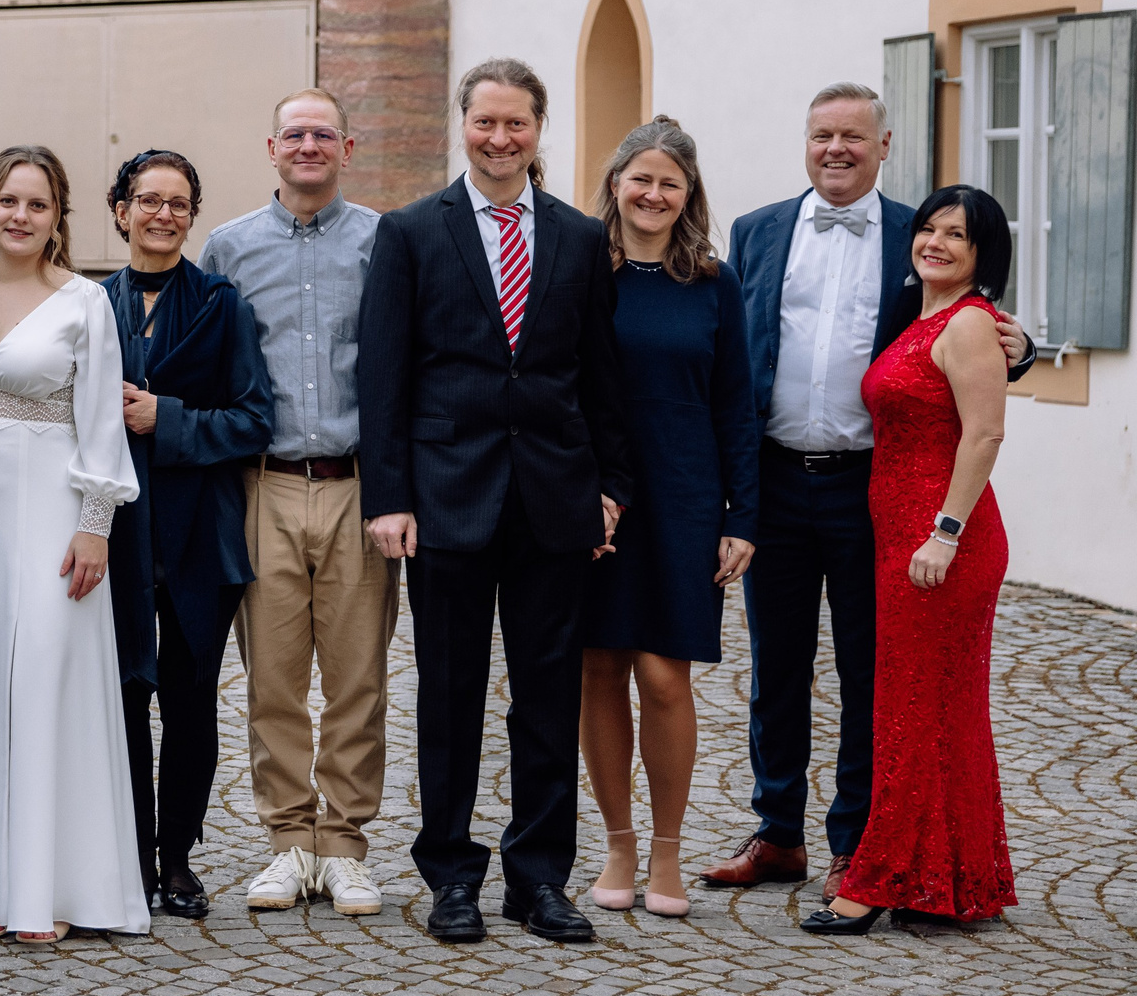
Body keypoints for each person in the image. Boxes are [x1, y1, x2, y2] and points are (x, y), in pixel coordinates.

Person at [709, 83, 1030, 902]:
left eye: (853, 136)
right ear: (805, 141)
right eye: (822, 135)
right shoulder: (757, 232)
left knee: (870, 671)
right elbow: (733, 353)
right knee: (775, 668)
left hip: (873, 489)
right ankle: (777, 833)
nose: (836, 149)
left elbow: (969, 335)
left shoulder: (913, 235)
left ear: (884, 147)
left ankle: (861, 841)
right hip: (777, 480)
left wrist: (1020, 349)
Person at [357, 57, 634, 945]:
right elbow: (384, 375)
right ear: (463, 124)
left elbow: (602, 376)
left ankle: (538, 877)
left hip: (555, 499)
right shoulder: (409, 233)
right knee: (449, 695)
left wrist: (610, 489)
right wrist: (389, 497)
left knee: (547, 697)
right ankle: (450, 874)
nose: (500, 138)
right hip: (446, 498)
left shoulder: (580, 238)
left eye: (517, 124)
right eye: (486, 123)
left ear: (538, 129)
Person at [0, 147, 143, 941]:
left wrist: (95, 524)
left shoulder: (84, 302)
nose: (19, 215)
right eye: (8, 199)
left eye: (36, 204)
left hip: (56, 509)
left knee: (48, 678)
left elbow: (103, 422)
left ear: (57, 217)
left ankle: (52, 889)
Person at [202, 88, 396, 918]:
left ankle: (345, 845)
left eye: (324, 134)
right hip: (266, 486)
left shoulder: (386, 242)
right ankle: (287, 840)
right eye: (294, 134)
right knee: (273, 677)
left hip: (359, 488)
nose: (308, 146)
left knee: (357, 677)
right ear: (270, 147)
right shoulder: (228, 248)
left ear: (347, 149)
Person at [803, 185, 1016, 934]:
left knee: (917, 711)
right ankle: (951, 881)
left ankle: (876, 882)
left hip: (941, 544)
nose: (937, 243)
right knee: (930, 711)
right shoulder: (922, 316)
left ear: (982, 253)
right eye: (928, 228)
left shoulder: (966, 325)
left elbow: (984, 434)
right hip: (902, 538)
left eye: (957, 235)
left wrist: (946, 531)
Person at [574, 117, 760, 921]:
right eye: (640, 178)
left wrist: (743, 514)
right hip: (597, 498)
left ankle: (668, 851)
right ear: (615, 183)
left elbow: (738, 406)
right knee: (600, 668)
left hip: (685, 497)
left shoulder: (712, 283)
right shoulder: (580, 273)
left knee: (663, 674)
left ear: (689, 196)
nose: (653, 194)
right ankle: (616, 842)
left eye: (669, 183)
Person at [101, 150, 270, 919]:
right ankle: (129, 853)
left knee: (191, 700)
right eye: (149, 200)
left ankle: (177, 860)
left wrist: (164, 417)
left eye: (178, 203)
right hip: (118, 533)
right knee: (124, 696)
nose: (163, 215)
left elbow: (252, 419)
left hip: (200, 535)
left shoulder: (219, 304)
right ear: (120, 210)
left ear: (192, 216)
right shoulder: (89, 305)